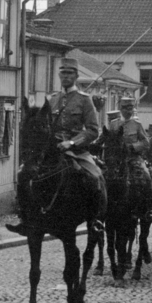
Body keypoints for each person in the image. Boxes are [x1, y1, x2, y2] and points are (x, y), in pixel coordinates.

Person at [47, 57, 108, 205]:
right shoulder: (51, 99)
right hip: (52, 150)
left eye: (69, 73)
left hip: (77, 152)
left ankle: (94, 219)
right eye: (63, 73)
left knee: (95, 177)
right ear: (59, 75)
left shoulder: (84, 100)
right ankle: (26, 217)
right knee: (26, 173)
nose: (66, 76)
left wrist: (72, 142)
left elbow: (93, 130)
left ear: (76, 76)